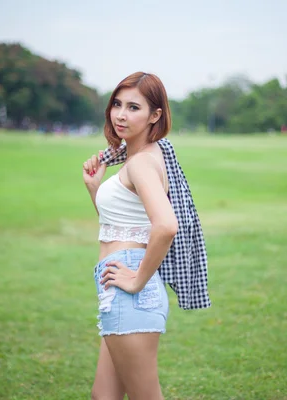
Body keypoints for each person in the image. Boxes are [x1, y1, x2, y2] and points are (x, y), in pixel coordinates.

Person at [82, 72, 211, 400]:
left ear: (155, 115)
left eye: (133, 107)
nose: (121, 114)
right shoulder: (144, 156)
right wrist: (95, 189)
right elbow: (123, 225)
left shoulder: (141, 163)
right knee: (103, 395)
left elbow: (166, 226)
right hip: (120, 284)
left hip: (130, 289)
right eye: (117, 104)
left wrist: (138, 279)